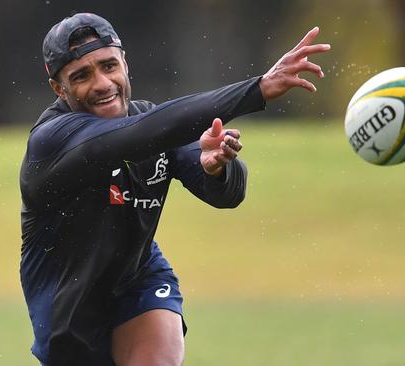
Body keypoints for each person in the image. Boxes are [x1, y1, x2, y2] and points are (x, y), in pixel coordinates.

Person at [19, 12, 330, 366]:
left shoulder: (150, 124)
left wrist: (215, 168)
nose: (103, 83)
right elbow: (147, 132)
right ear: (59, 89)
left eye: (109, 66)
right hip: (69, 306)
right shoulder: (52, 141)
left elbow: (229, 195)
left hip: (139, 277)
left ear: (125, 63)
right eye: (81, 76)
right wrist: (256, 89)